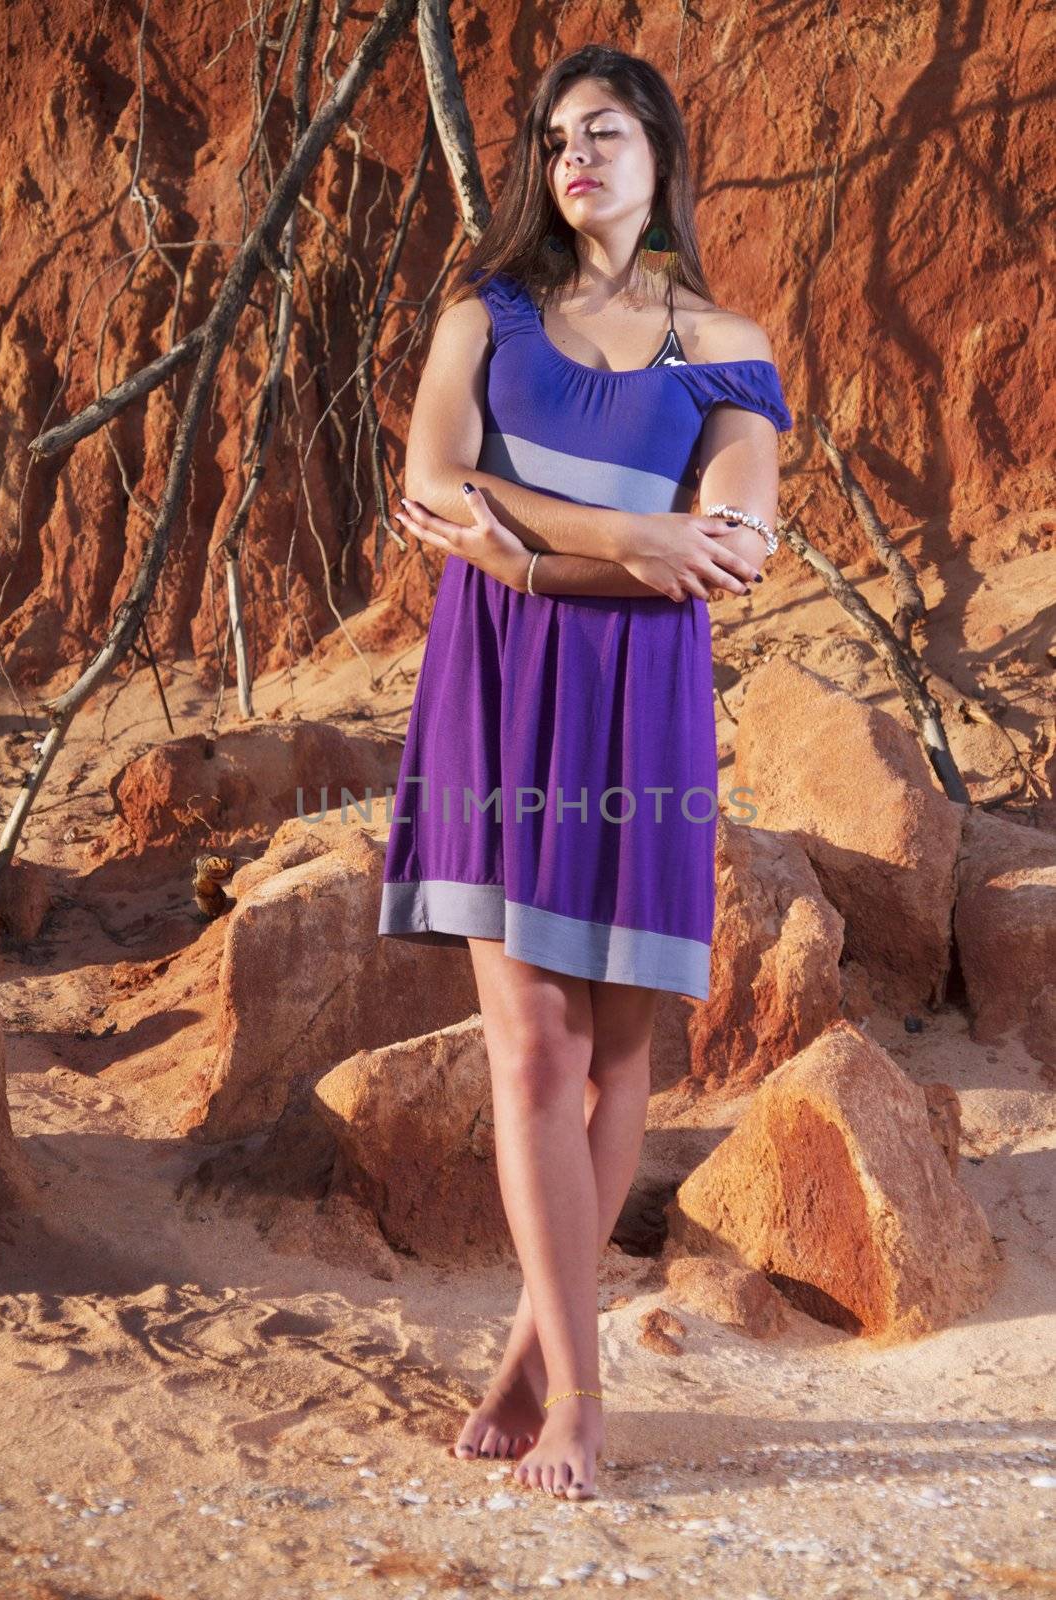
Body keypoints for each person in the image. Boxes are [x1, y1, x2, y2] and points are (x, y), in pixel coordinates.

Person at [380, 43, 793, 1502]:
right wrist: (620, 540)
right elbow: (437, 484)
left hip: (644, 713)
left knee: (623, 1057)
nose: (578, 156)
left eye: (605, 130)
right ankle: (586, 1401)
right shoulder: (484, 317)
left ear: (661, 152)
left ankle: (527, 1354)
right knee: (533, 1050)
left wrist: (529, 546)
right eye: (556, 137)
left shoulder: (729, 343)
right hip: (497, 693)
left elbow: (731, 554)